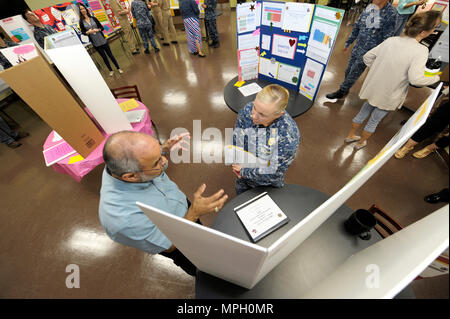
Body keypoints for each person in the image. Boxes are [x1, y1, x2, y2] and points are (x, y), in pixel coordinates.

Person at [99, 131, 228, 276]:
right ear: (131, 176)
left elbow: (151, 162)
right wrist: (194, 213)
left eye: (160, 154)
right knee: (204, 268)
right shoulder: (124, 219)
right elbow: (170, 246)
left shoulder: (132, 167)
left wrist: (163, 150)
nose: (165, 161)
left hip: (182, 210)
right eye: (157, 162)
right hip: (179, 243)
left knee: (205, 241)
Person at [345, 11, 442, 150]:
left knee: (363, 112)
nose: (434, 31)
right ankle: (360, 143)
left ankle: (350, 135)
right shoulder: (421, 50)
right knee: (373, 121)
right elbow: (416, 79)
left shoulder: (392, 40)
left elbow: (367, 57)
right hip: (390, 94)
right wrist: (436, 77)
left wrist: (379, 68)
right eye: (434, 27)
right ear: (422, 32)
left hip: (374, 87)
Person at [231, 84, 300, 195]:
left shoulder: (287, 136)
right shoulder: (248, 109)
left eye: (262, 115)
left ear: (278, 114)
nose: (254, 116)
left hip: (265, 186)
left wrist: (244, 171)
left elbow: (272, 173)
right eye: (255, 107)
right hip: (243, 178)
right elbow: (237, 136)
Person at [325, 0, 398, 100]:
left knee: (354, 72)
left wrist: (380, 55)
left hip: (370, 52)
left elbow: (387, 37)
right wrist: (348, 42)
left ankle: (342, 91)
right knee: (348, 70)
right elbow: (358, 26)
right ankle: (345, 88)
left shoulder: (391, 14)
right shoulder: (370, 8)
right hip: (358, 46)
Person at [78, 3, 123, 77]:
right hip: (95, 42)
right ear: (80, 11)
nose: (83, 10)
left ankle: (118, 68)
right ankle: (110, 70)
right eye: (81, 9)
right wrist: (88, 32)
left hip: (102, 40)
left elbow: (102, 28)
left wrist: (98, 29)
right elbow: (83, 32)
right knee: (104, 57)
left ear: (86, 9)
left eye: (83, 8)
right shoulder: (81, 22)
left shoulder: (93, 18)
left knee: (110, 55)